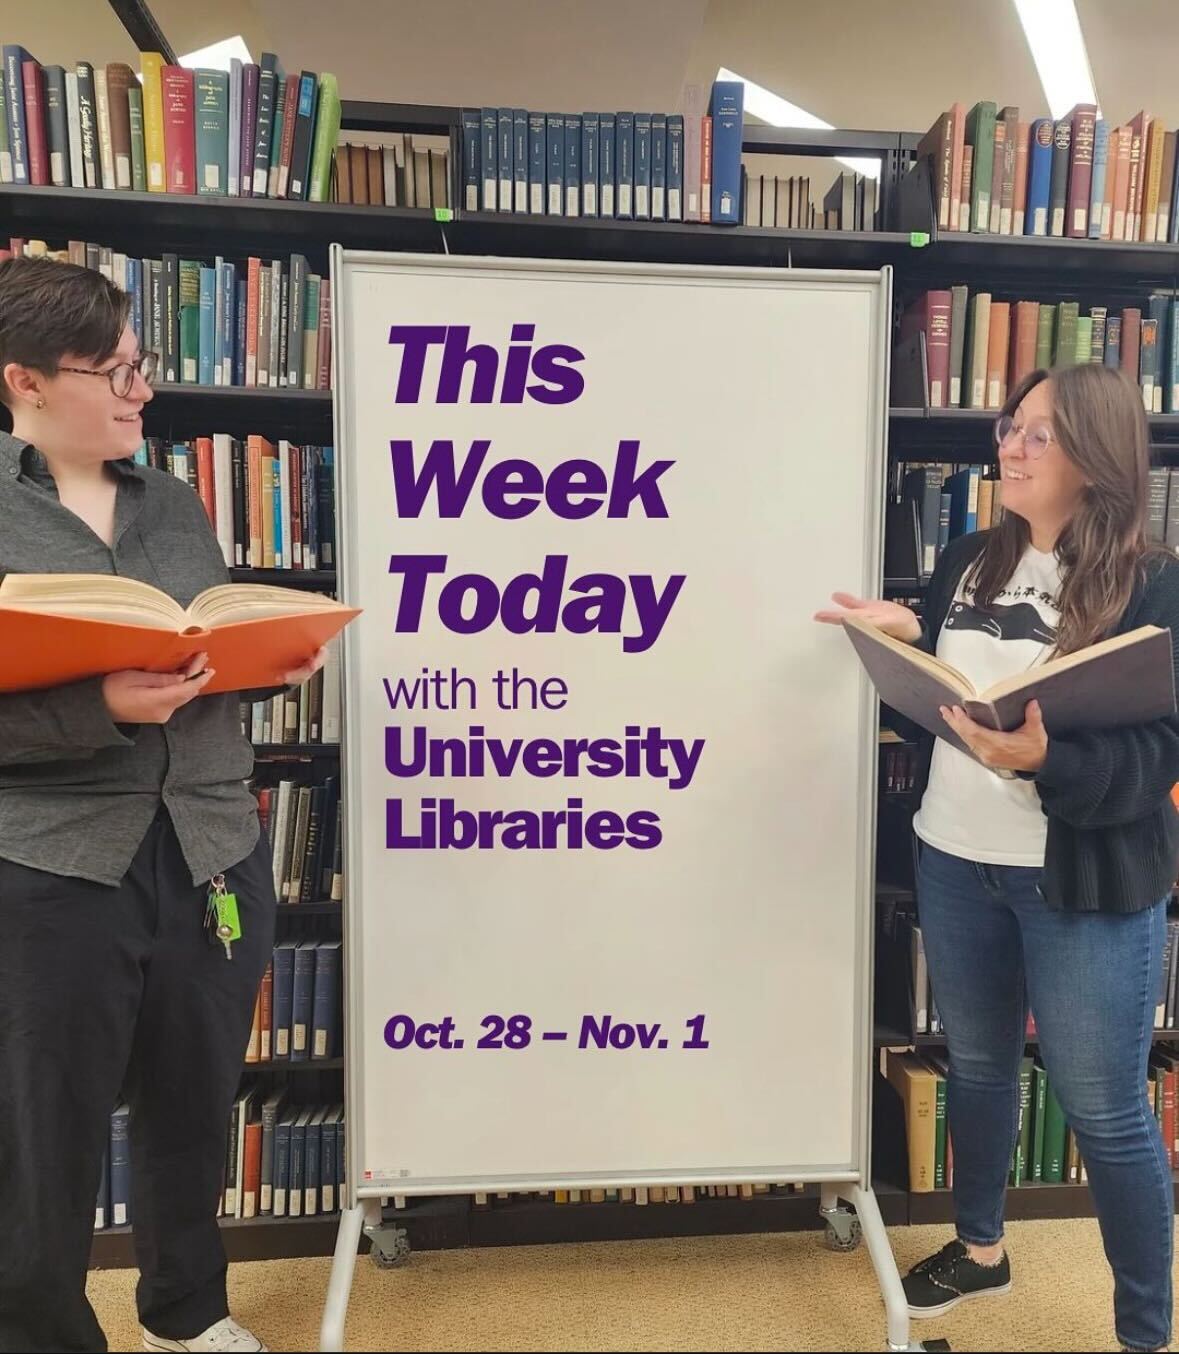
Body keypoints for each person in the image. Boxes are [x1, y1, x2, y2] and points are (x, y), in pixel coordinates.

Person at [0, 255, 327, 1354]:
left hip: (210, 848)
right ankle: (45, 1331)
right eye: (114, 370)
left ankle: (185, 1315)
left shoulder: (177, 501)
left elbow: (193, 647)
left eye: (142, 366)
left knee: (193, 1103)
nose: (142, 391)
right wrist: (97, 704)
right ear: (26, 381)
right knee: (44, 1128)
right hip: (53, 866)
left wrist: (256, 661)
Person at [817, 363, 1179, 1354]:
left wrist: (1047, 761)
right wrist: (903, 639)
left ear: (1095, 458)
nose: (1007, 449)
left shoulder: (1154, 583)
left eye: (1035, 436)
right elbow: (952, 693)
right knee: (977, 1066)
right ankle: (981, 1248)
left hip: (1080, 882)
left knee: (1104, 1105)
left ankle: (1146, 1330)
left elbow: (1157, 753)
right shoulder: (972, 557)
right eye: (1008, 428)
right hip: (954, 854)